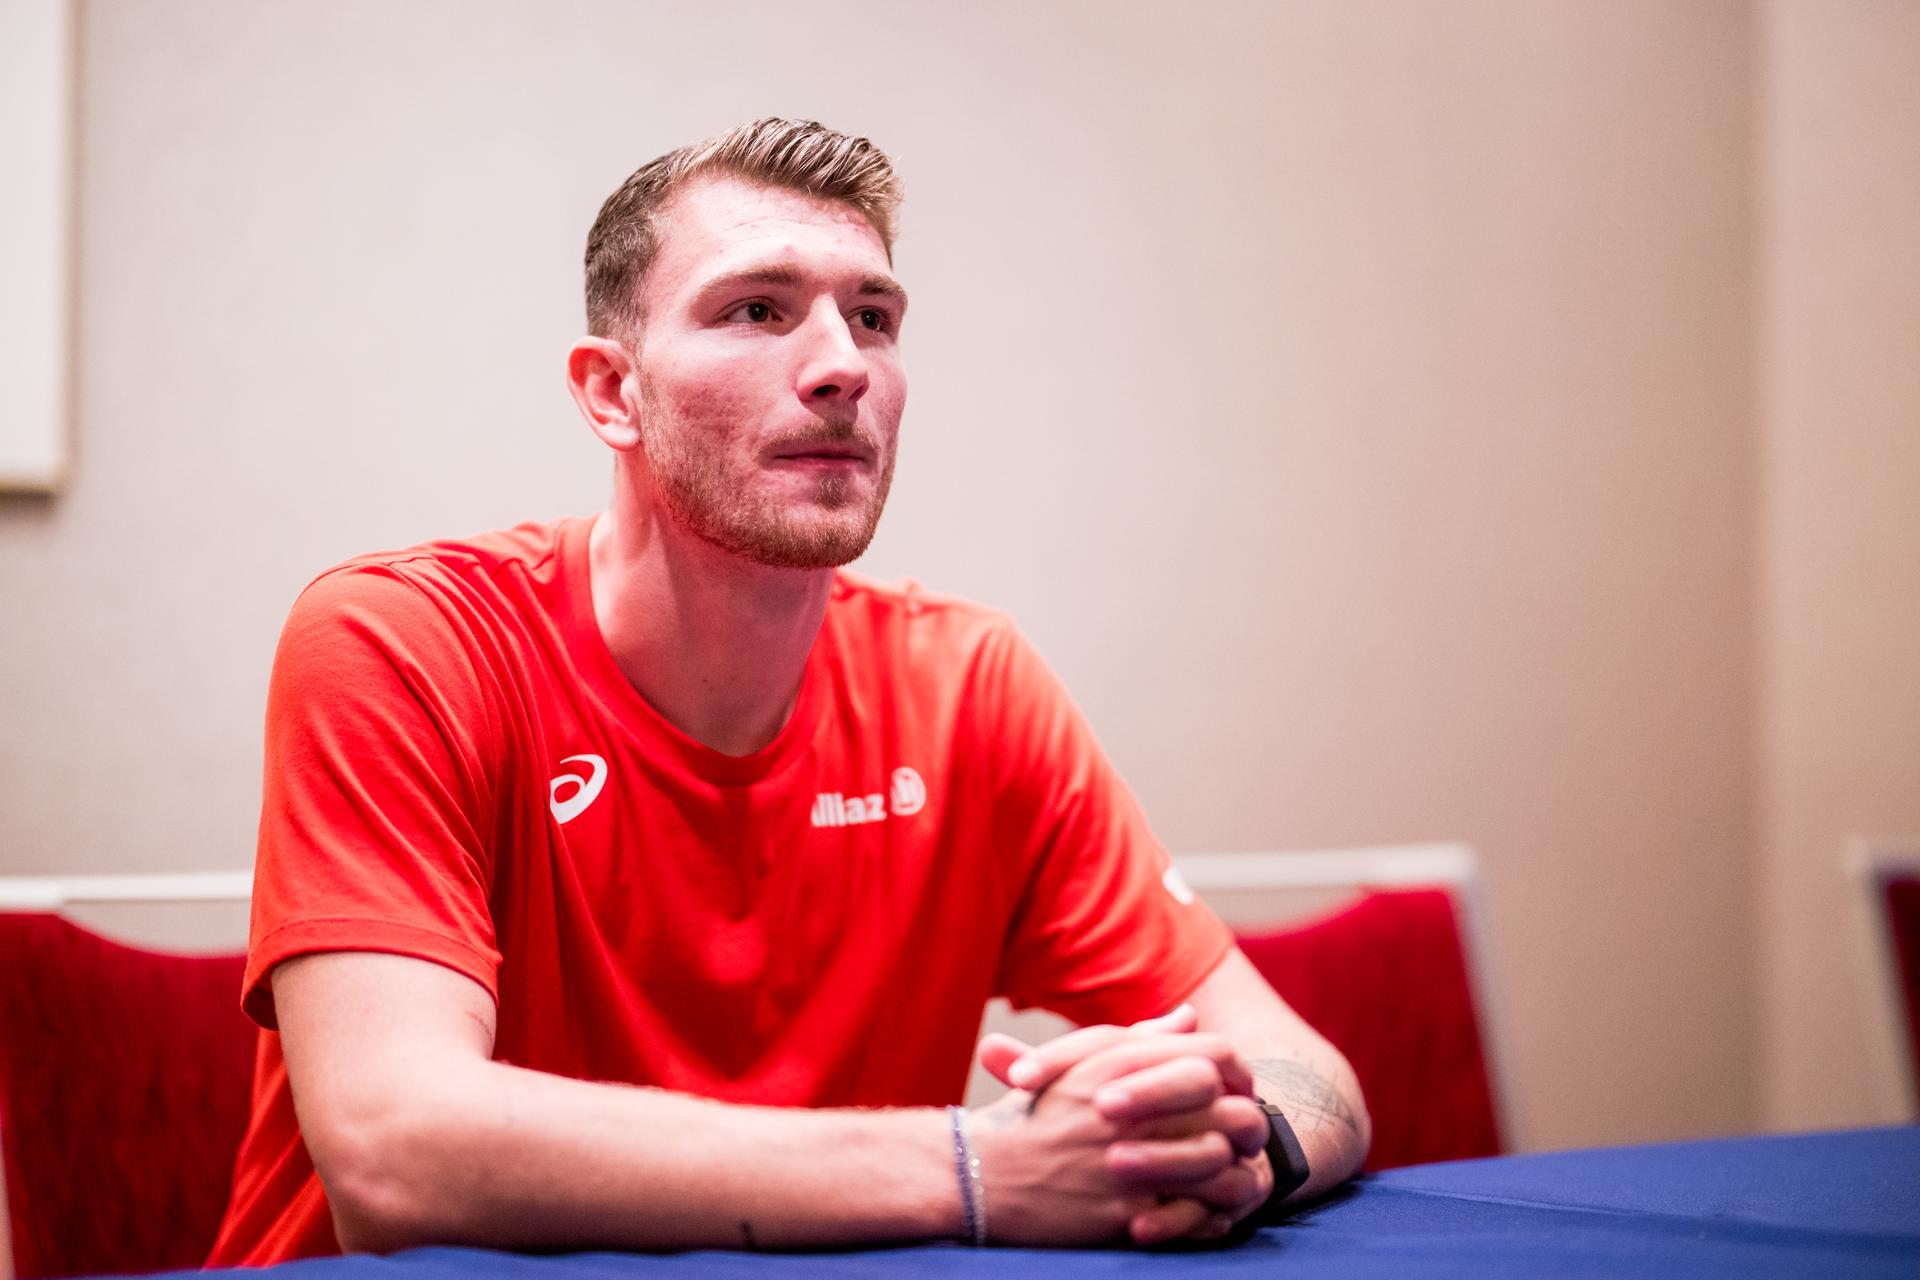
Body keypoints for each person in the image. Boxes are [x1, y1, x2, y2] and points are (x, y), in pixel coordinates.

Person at [207, 118, 1369, 1264]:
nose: (842, 365)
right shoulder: (406, 642)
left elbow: (1308, 1071)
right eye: (756, 309)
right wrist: (980, 1168)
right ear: (611, 392)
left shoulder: (967, 681)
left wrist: (1224, 1144)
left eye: (873, 316)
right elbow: (393, 1153)